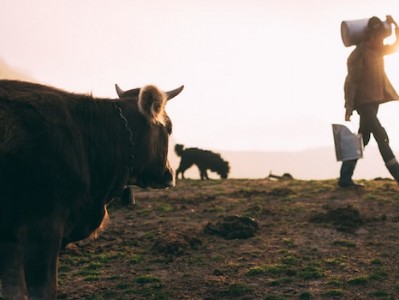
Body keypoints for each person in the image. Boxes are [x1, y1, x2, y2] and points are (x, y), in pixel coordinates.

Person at [339, 15, 399, 188]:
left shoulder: (379, 49)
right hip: (363, 103)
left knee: (363, 139)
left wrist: (395, 25)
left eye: (381, 37)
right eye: (376, 37)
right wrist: (349, 106)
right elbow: (351, 81)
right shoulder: (360, 53)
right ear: (369, 36)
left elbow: (396, 45)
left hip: (374, 101)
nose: (379, 40)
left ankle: (345, 178)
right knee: (381, 135)